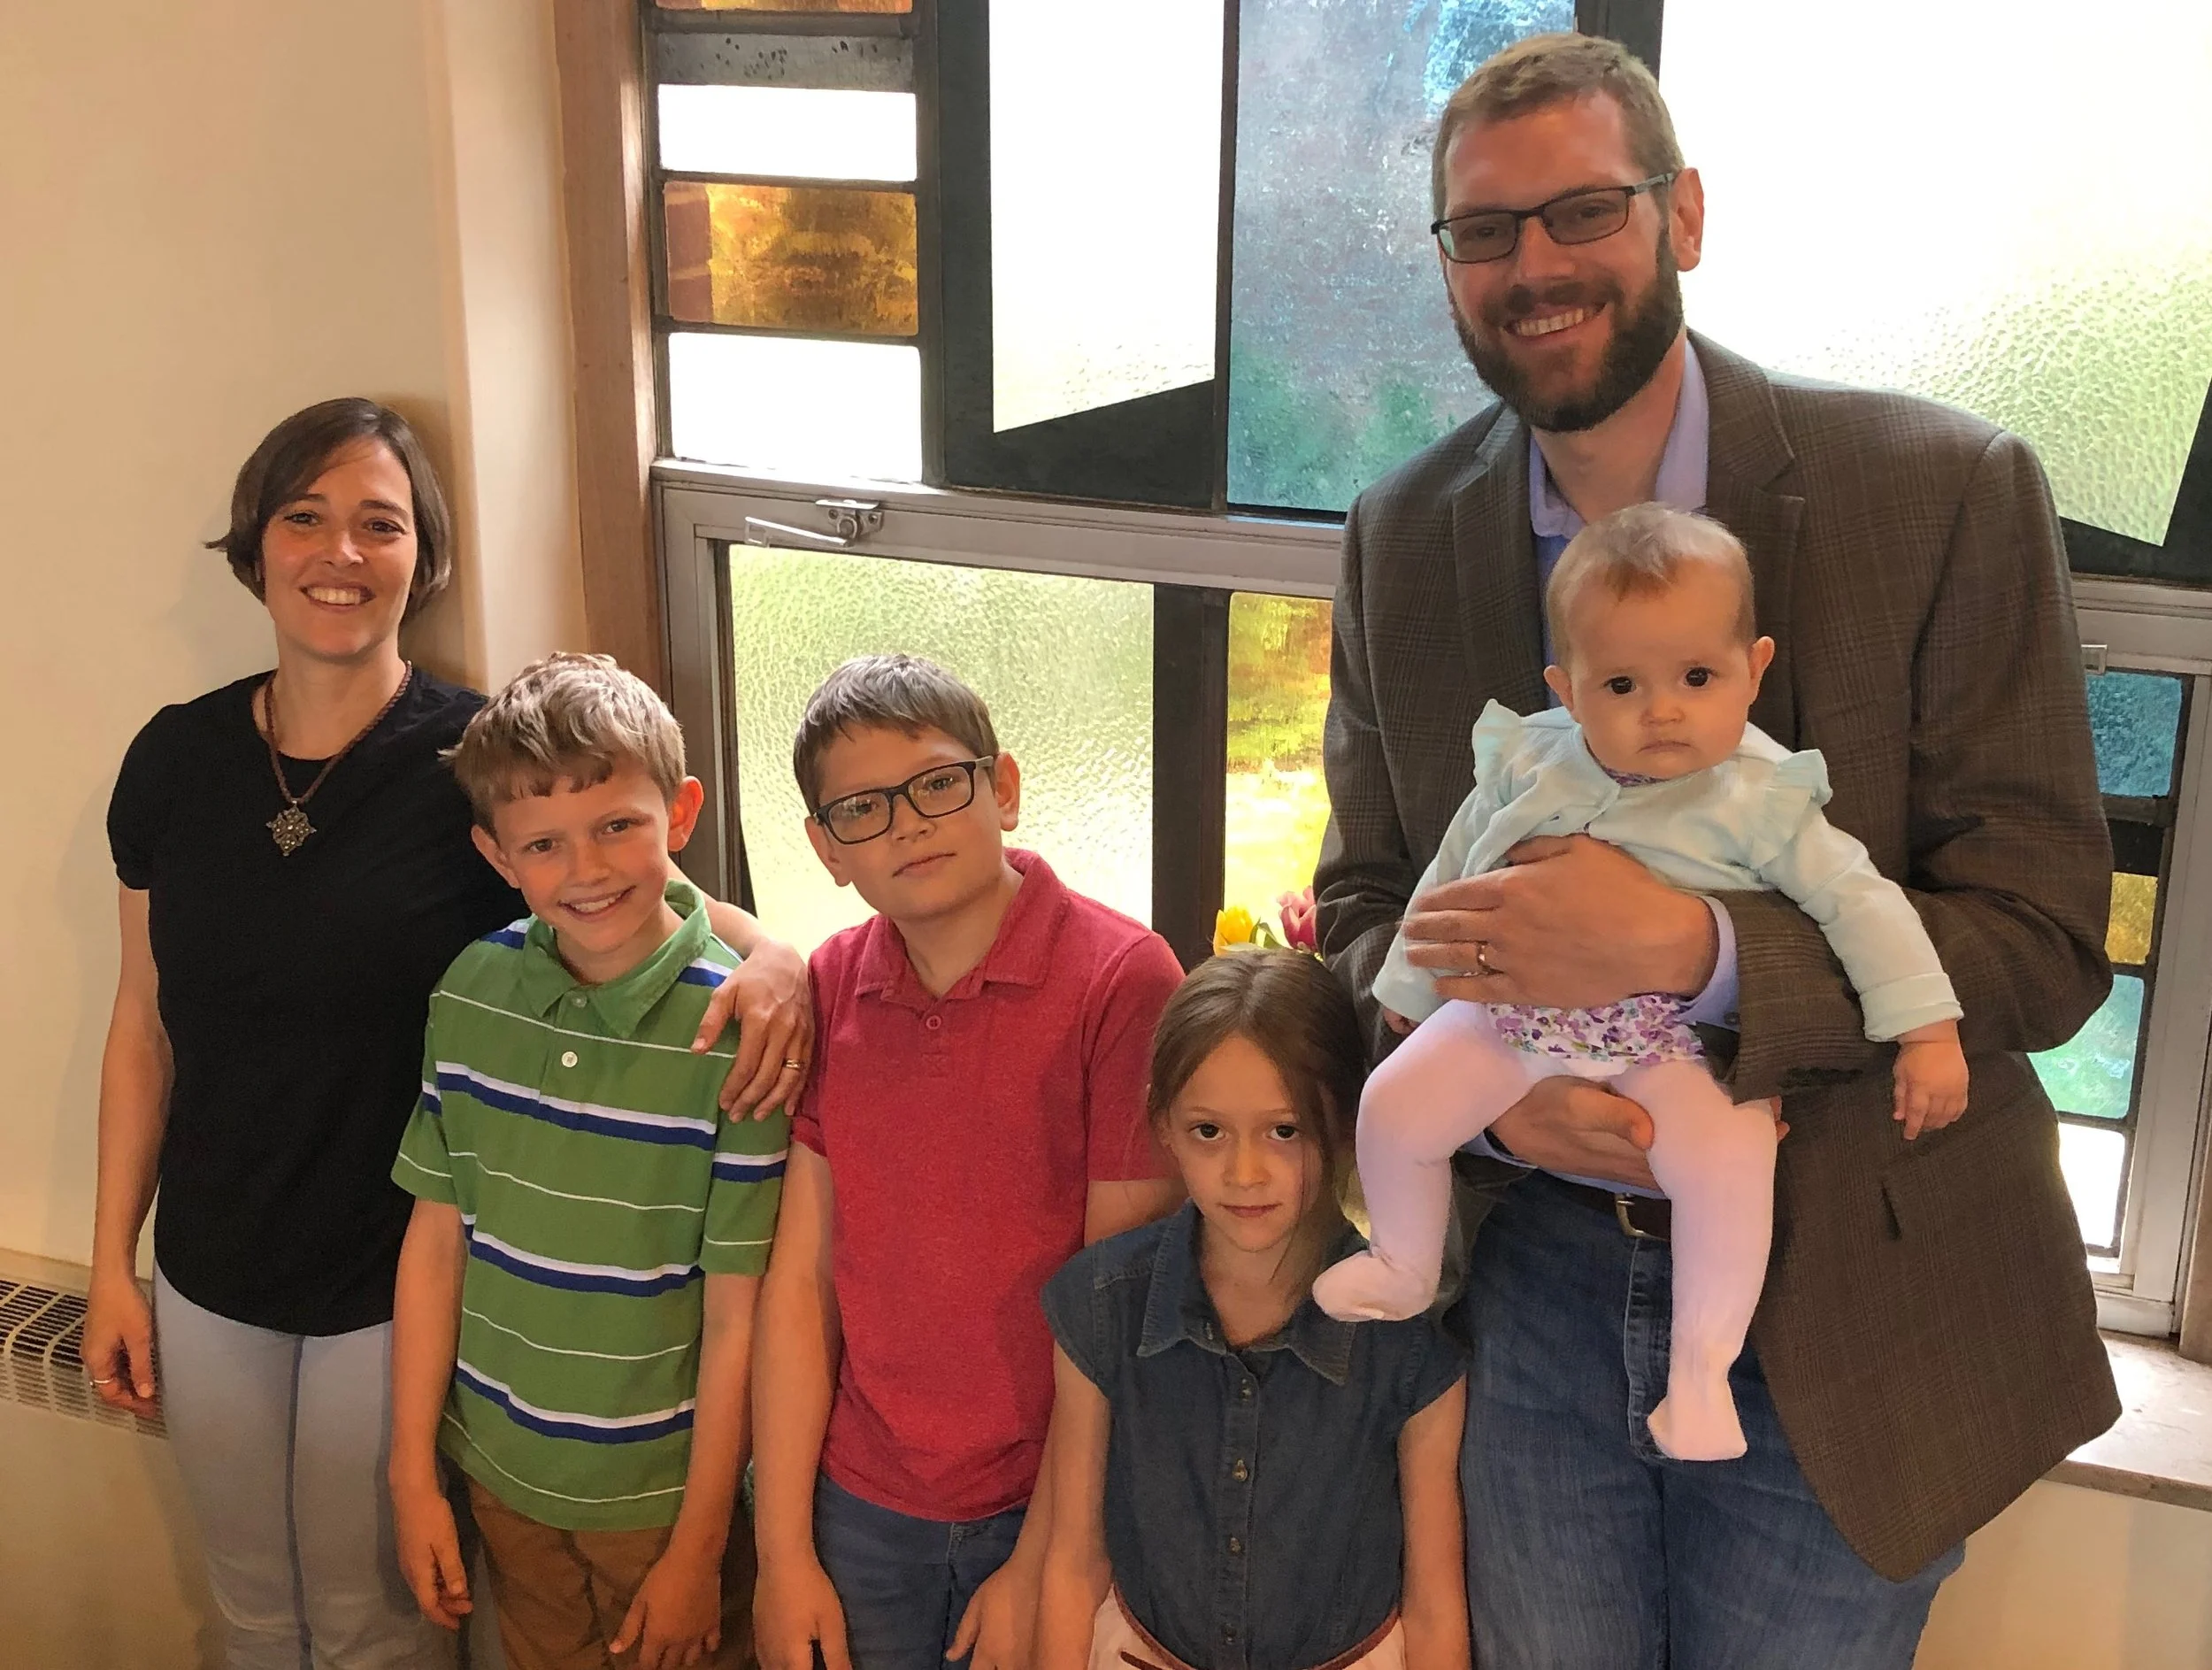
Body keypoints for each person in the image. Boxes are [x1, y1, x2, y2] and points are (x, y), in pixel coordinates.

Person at [1313, 31, 2118, 1667]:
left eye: (1585, 211)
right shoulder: (1400, 536)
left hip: (1853, 1294)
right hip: (1531, 1287)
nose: (1537, 268)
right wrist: (1494, 1085)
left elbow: (2043, 937)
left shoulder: (1941, 492)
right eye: (1486, 231)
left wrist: (1701, 956)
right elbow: (1363, 897)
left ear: (1681, 212)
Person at [88, 398, 810, 1670]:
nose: (341, 552)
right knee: (249, 1609)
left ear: (424, 556)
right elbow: (142, 1021)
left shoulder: (470, 765)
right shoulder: (175, 758)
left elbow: (629, 889)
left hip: (396, 1274)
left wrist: (785, 960)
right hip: (210, 1262)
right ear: (256, 545)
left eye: (381, 523)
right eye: (305, 517)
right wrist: (111, 1263)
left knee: (374, 1621)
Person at [1313, 504, 1965, 1462]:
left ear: (1754, 669)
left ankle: (1701, 1377)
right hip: (1514, 1015)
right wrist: (1412, 990)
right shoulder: (1530, 761)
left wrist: (1926, 1030)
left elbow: (1861, 905)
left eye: (1697, 678)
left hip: (1678, 1042)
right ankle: (1402, 1263)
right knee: (1394, 1104)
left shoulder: (1761, 794)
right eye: (1622, 684)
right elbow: (1453, 872)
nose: (1663, 711)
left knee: (1733, 1163)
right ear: (1567, 689)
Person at [750, 654, 1185, 1670]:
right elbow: (801, 1284)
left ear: (1005, 788)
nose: (907, 825)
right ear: (826, 848)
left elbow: (1116, 1310)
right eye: (862, 809)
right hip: (860, 1502)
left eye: (938, 783)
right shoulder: (832, 981)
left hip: (1052, 1502)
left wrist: (1044, 1559)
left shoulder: (1122, 979)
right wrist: (780, 1556)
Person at [388, 652, 786, 1670]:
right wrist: (411, 1472)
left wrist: (700, 1546)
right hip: (500, 1473)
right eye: (544, 844)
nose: (588, 869)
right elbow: (436, 1243)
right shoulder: (470, 992)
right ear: (496, 855)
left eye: (617, 826)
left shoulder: (738, 1030)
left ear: (680, 815)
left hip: (664, 1502)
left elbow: (739, 1314)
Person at [1035, 948, 1470, 1670]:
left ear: (1346, 1122)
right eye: (1209, 1130)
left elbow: (1434, 1604)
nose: (1244, 1173)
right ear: (1164, 1123)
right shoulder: (1102, 1304)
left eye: (1284, 1130)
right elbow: (1074, 1562)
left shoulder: (1411, 1339)